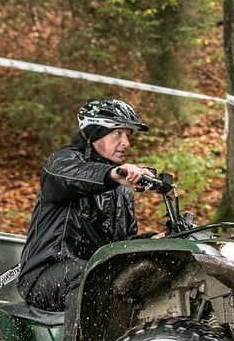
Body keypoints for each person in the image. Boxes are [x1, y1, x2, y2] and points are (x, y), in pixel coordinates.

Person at [17, 98, 156, 314]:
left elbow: (121, 245)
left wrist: (154, 241)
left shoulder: (120, 190)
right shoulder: (62, 163)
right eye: (118, 133)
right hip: (44, 274)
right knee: (89, 276)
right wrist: (112, 174)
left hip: (97, 271)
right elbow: (72, 176)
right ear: (95, 133)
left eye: (129, 135)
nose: (126, 143)